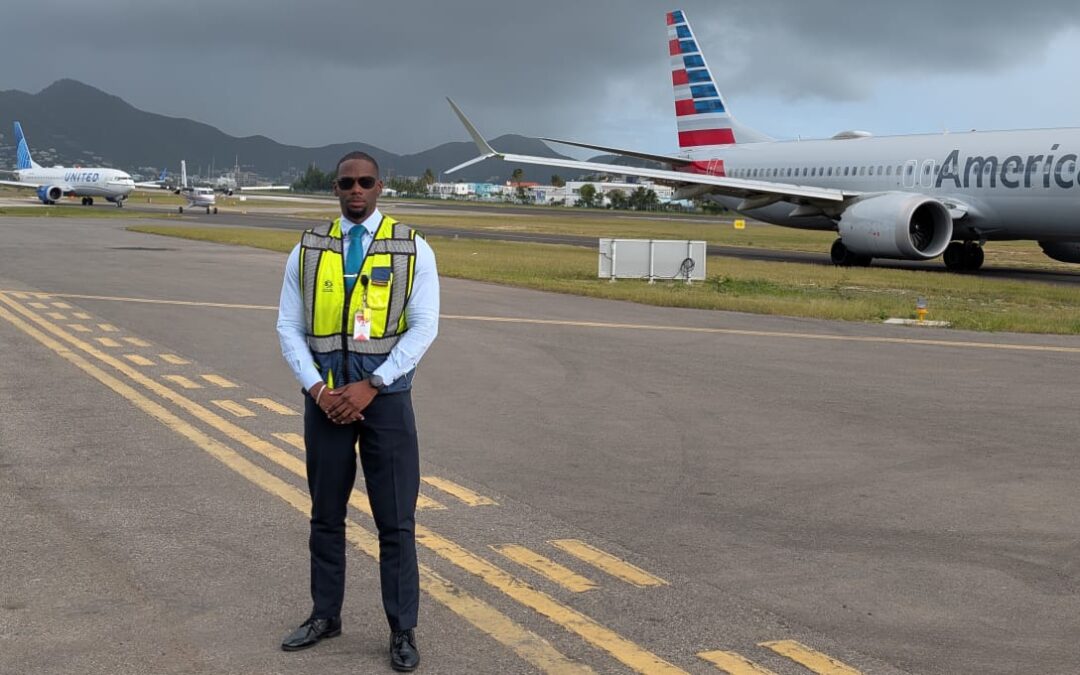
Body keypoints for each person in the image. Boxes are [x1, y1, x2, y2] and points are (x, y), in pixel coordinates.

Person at [276, 151, 439, 672]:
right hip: (324, 403)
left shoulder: (411, 247)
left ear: (380, 186)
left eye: (365, 181)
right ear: (335, 187)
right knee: (326, 515)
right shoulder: (307, 248)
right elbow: (288, 326)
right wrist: (317, 390)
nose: (356, 190)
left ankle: (401, 630)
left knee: (395, 520)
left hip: (385, 402)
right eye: (347, 182)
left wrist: (374, 384)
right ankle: (326, 615)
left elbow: (423, 326)